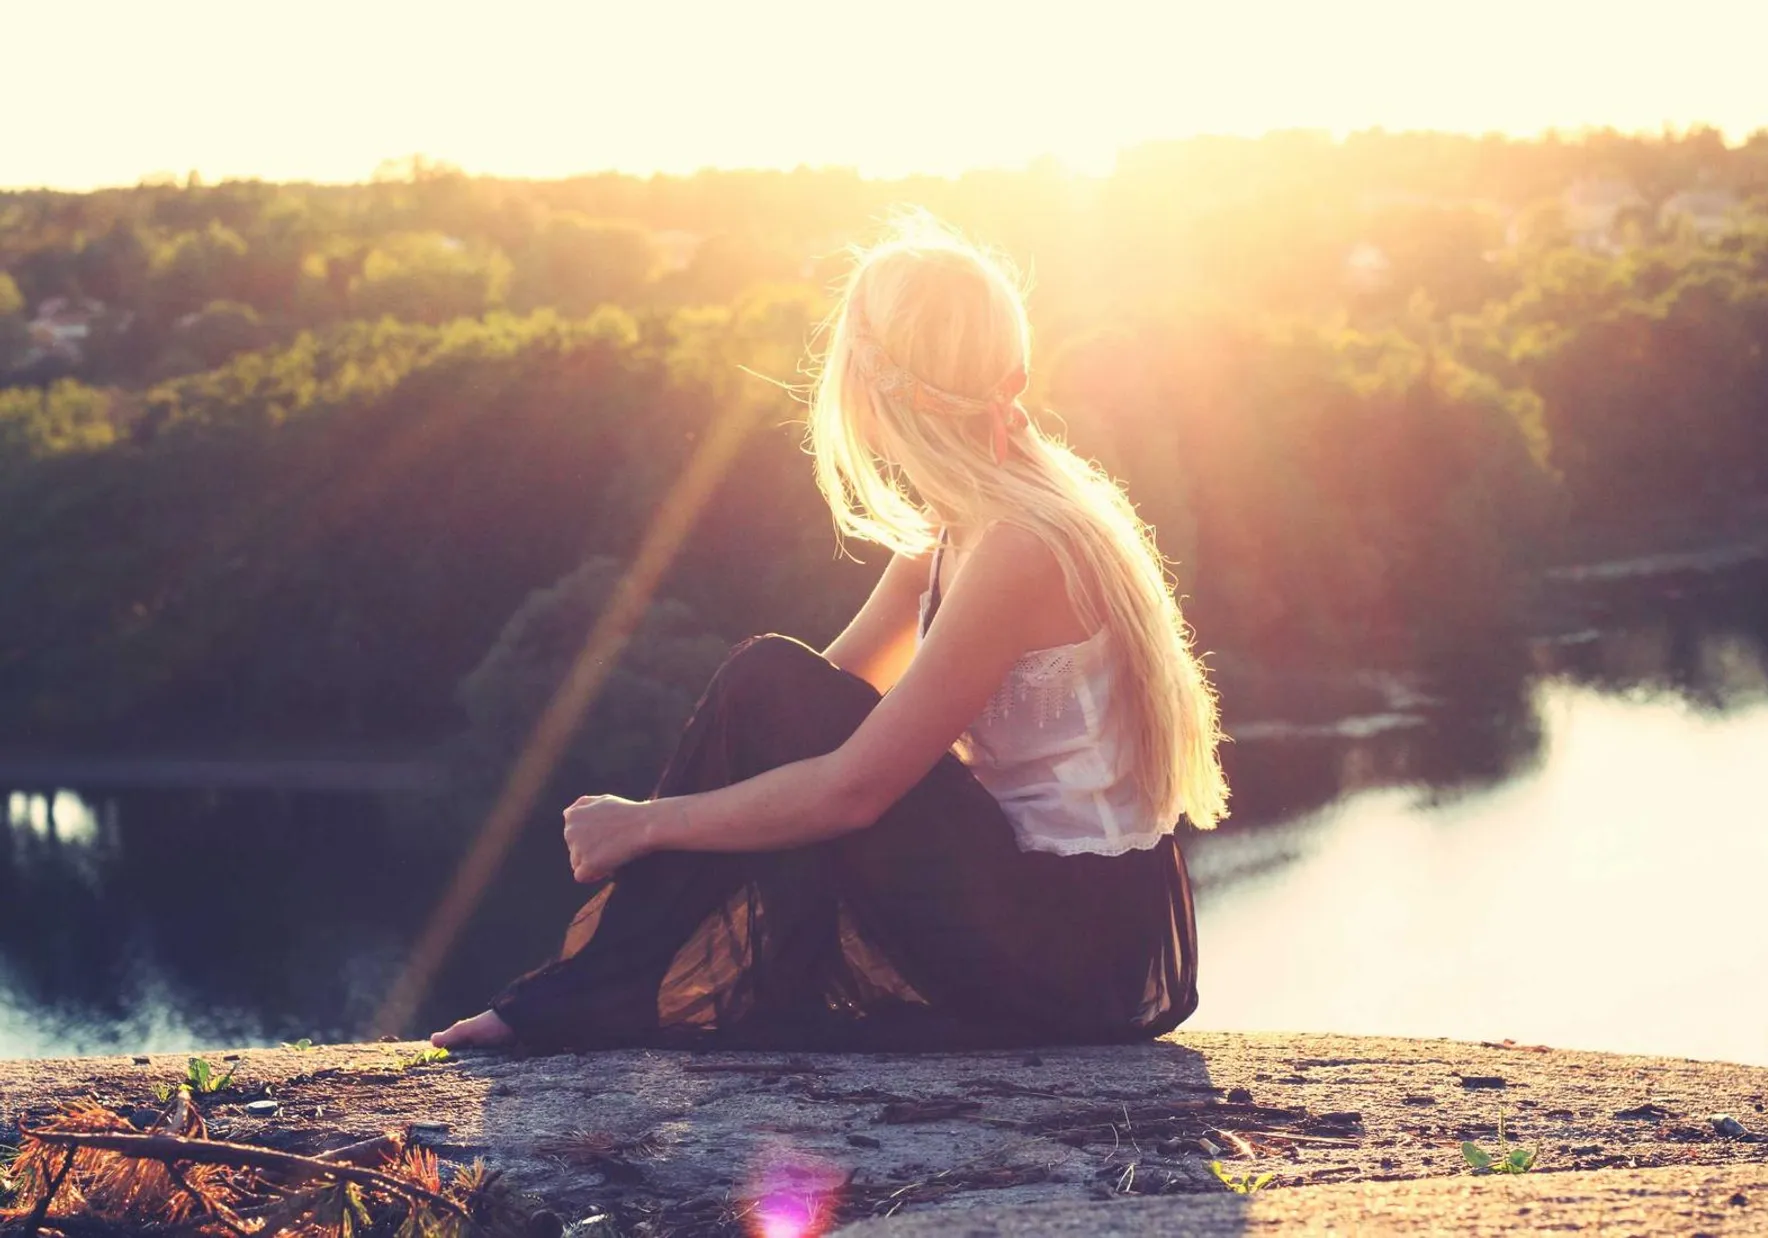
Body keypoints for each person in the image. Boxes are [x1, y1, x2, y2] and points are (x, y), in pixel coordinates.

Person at [432, 212, 1227, 1052]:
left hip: (1073, 948)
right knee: (767, 676)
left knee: (769, 683)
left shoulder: (1019, 548)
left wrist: (647, 825)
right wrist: (676, 812)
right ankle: (598, 991)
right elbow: (794, 715)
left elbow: (856, 788)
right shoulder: (959, 528)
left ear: (871, 384)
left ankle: (589, 995)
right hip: (1050, 917)